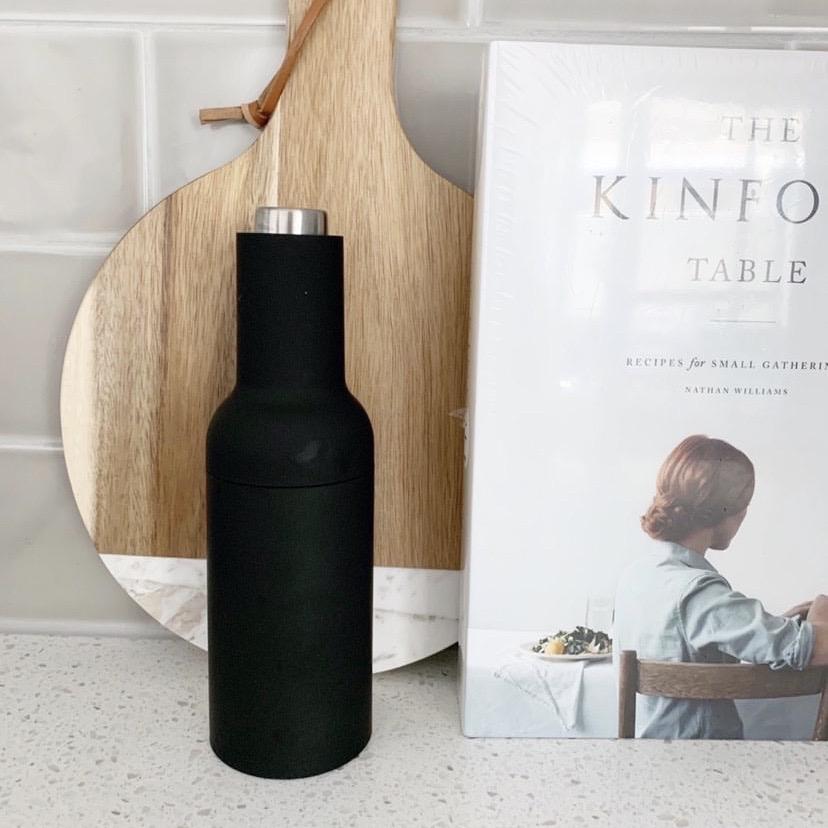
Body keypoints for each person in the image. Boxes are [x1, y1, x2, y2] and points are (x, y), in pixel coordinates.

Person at [614, 434, 828, 739]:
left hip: (646, 756)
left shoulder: (636, 576)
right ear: (726, 511)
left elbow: (695, 639)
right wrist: (821, 606)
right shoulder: (699, 592)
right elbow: (816, 649)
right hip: (708, 759)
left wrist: (779, 623)